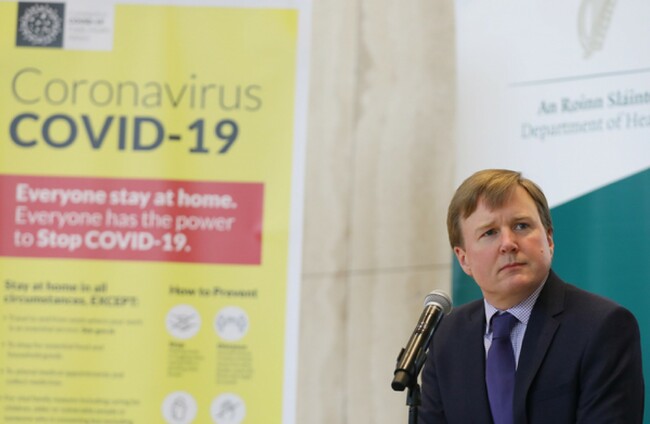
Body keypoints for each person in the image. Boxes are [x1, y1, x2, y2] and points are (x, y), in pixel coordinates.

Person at [419, 169, 644, 423]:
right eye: (489, 232)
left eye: (521, 226)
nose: (508, 243)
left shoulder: (602, 326)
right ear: (464, 259)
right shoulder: (446, 338)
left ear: (549, 239)